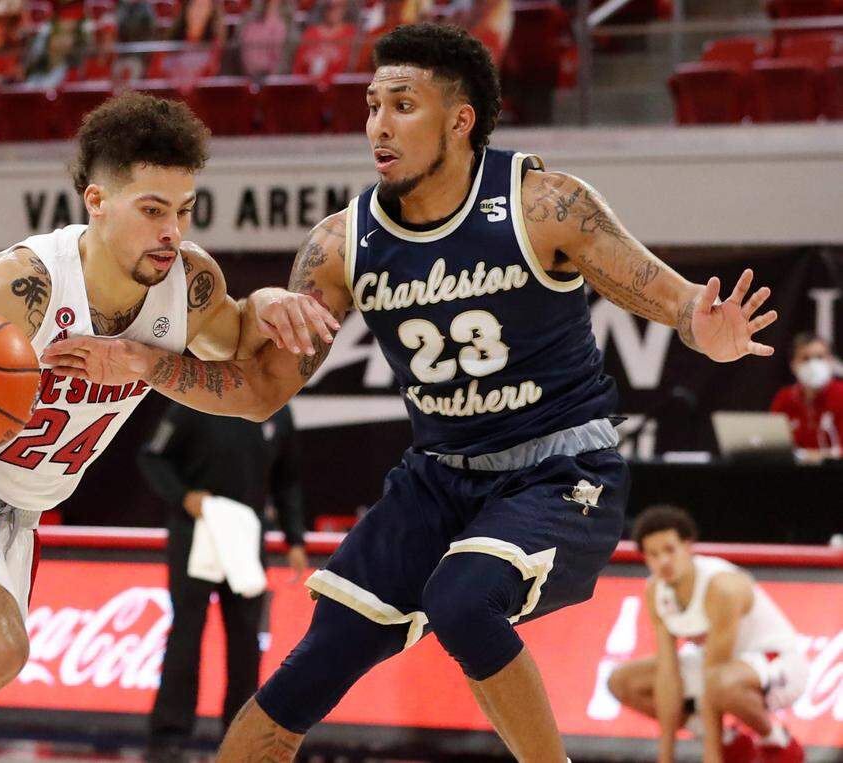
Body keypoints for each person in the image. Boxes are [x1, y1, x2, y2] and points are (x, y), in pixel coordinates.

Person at [43, 23, 778, 762]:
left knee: (462, 599)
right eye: (371, 105)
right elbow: (260, 390)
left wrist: (699, 324)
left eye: (402, 104)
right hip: (437, 478)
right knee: (303, 674)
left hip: (560, 472)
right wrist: (143, 363)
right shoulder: (342, 244)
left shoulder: (542, 204)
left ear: (460, 121)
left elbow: (670, 296)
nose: (378, 126)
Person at [0, 92, 331, 763]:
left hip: (17, 519)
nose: (172, 230)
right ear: (97, 201)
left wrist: (266, 302)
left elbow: (243, 346)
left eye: (184, 210)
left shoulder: (188, 285)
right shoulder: (25, 284)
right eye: (152, 210)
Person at [139, 403, 308, 760]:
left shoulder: (276, 410)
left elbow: (287, 478)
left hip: (247, 535)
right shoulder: (194, 400)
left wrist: (294, 539)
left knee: (247, 639)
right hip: (195, 531)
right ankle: (169, 735)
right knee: (187, 632)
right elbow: (152, 456)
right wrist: (183, 496)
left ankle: (241, 732)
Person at [608, 506, 807, 763]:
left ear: (688, 546)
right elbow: (668, 676)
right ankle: (730, 742)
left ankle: (777, 741)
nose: (664, 561)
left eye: (670, 550)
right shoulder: (655, 589)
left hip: (779, 664)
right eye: (654, 554)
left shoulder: (721, 587)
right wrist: (665, 757)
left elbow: (712, 679)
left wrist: (711, 758)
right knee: (622, 681)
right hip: (718, 668)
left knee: (719, 683)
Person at [769, 331, 843, 455]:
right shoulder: (784, 398)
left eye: (820, 357)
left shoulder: (841, 394)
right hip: (795, 472)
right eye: (805, 358)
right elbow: (772, 444)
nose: (813, 364)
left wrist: (811, 456)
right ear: (793, 365)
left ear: (830, 361)